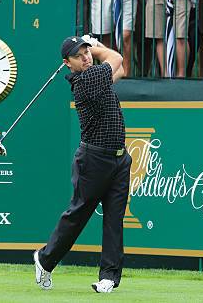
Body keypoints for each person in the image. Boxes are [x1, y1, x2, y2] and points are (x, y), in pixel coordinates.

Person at [33, 35, 130, 294]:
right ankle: (44, 259)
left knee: (114, 220)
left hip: (120, 158)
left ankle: (108, 277)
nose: (86, 57)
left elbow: (122, 68)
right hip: (94, 159)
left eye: (86, 52)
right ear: (68, 63)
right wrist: (97, 47)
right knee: (78, 215)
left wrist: (94, 47)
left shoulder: (96, 75)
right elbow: (117, 59)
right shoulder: (85, 80)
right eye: (79, 55)